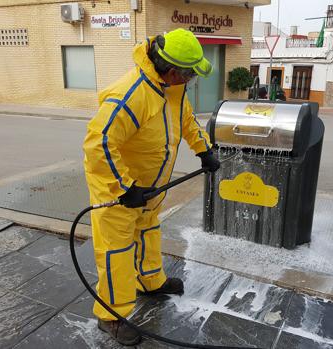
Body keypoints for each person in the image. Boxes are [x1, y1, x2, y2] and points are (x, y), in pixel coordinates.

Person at [82, 28, 220, 346]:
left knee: (147, 231)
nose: (191, 82)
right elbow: (97, 143)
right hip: (117, 193)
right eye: (190, 76)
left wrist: (204, 149)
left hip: (148, 189)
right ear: (173, 72)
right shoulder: (131, 94)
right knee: (117, 250)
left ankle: (149, 281)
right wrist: (122, 188)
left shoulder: (171, 90)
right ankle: (111, 316)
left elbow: (185, 119)